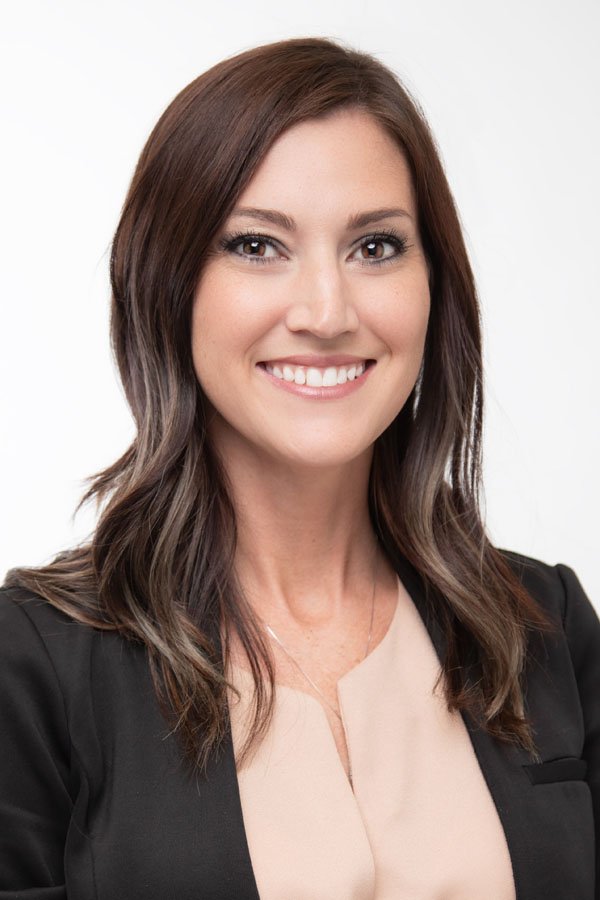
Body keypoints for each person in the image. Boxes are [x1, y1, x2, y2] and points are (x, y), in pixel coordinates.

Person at [0, 36, 597, 900]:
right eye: (257, 246)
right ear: (168, 286)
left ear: (436, 286)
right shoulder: (34, 665)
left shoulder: (547, 631)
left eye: (377, 247)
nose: (326, 311)